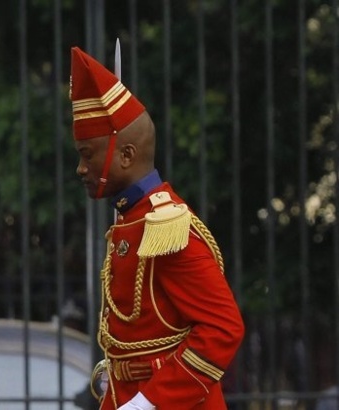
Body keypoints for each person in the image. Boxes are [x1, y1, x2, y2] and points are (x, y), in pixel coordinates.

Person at [70, 47, 245, 409]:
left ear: (127, 156)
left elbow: (223, 329)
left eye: (88, 155)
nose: (81, 168)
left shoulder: (168, 227)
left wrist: (147, 403)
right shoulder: (132, 217)